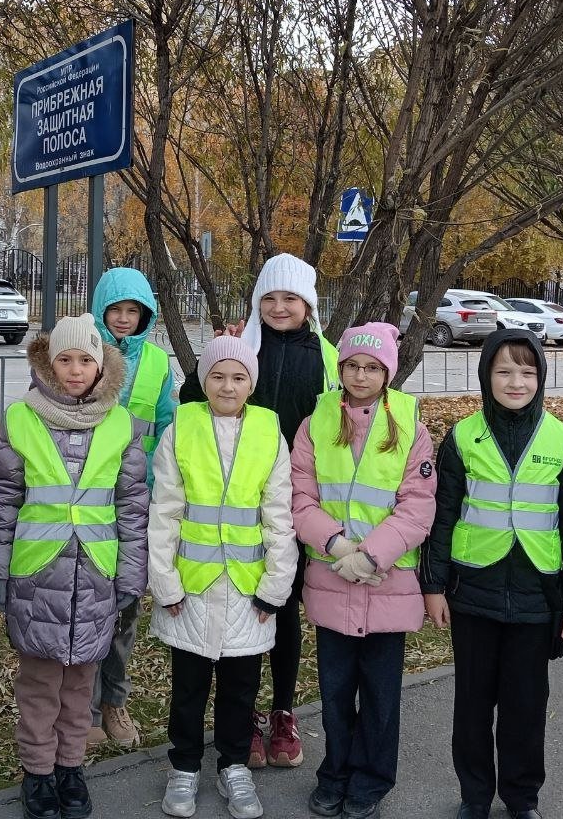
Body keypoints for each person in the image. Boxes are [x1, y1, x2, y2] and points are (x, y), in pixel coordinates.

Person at [420, 329, 563, 819]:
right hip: (472, 592)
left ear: (541, 378)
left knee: (526, 707)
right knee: (473, 705)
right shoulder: (462, 436)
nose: (516, 382)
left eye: (527, 372)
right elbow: (442, 515)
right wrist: (433, 585)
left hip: (539, 597)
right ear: (486, 377)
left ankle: (521, 799)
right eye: (504, 371)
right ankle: (475, 796)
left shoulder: (562, 440)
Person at [0, 313, 150, 819]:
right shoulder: (21, 418)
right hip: (38, 575)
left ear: (101, 366)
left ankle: (70, 768)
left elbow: (132, 506)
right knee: (39, 685)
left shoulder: (121, 423)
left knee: (80, 685)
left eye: (85, 360)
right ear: (47, 363)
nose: (75, 370)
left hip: (96, 576)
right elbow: (3, 500)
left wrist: (131, 573)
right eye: (65, 359)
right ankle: (38, 772)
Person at [179, 253, 337, 769]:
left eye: (290, 298)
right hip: (235, 499)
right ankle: (240, 717)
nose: (279, 307)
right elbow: (193, 402)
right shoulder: (242, 348)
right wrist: (215, 354)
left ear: (308, 304)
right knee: (239, 601)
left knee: (281, 605)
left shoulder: (328, 359)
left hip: (295, 499)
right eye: (269, 297)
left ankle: (282, 710)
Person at [149, 336, 298, 819]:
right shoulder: (182, 427)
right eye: (217, 376)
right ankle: (184, 766)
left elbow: (279, 515)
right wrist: (164, 582)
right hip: (192, 587)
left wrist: (275, 586)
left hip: (247, 591)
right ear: (203, 381)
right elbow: (164, 511)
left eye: (238, 377)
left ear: (251, 384)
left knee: (240, 688)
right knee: (188, 689)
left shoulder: (269, 431)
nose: (227, 386)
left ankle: (234, 765)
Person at [292, 324, 437, 819]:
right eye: (352, 365)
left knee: (380, 694)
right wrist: (336, 545)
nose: (360, 375)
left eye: (372, 367)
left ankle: (371, 779)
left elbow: (417, 505)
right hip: (333, 578)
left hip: (385, 583)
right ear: (340, 368)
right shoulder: (316, 422)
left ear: (388, 372)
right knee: (334, 692)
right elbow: (300, 494)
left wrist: (371, 555)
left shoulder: (411, 426)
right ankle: (334, 772)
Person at [87, 267, 176, 749]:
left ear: (147, 315)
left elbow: (166, 425)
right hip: (86, 497)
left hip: (136, 499)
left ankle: (113, 701)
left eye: (133, 311)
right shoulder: (84, 351)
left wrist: (159, 487)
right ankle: (82, 708)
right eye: (115, 310)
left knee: (125, 605)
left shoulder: (158, 362)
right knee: (84, 603)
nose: (123, 319)